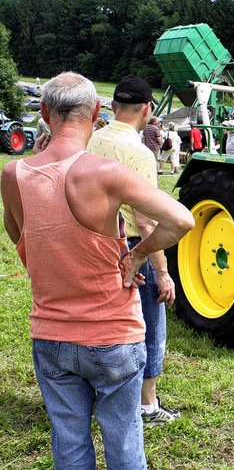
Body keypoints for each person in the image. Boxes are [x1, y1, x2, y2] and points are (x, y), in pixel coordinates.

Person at [0, 72, 194, 469]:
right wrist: (137, 255)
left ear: (43, 112)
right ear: (96, 112)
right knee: (124, 445)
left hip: (51, 337)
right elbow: (181, 220)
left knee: (69, 444)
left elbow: (22, 239)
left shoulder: (13, 175)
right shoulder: (105, 172)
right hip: (112, 336)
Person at [87, 74, 183, 425]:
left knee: (103, 324)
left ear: (112, 107)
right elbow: (147, 223)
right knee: (150, 328)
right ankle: (147, 405)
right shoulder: (139, 153)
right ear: (147, 109)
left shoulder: (91, 140)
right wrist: (162, 273)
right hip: (130, 249)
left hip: (95, 245)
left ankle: (102, 395)